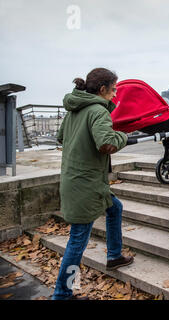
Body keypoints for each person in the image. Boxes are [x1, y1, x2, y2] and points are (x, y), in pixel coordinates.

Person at [53, 68, 133, 300]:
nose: (115, 94)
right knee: (77, 241)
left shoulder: (74, 110)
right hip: (86, 184)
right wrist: (123, 136)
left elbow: (61, 137)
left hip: (78, 180)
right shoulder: (98, 110)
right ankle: (62, 293)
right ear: (102, 89)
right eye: (114, 89)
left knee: (115, 208)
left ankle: (114, 256)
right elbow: (106, 144)